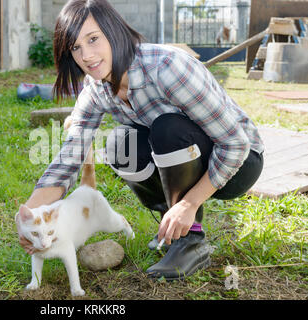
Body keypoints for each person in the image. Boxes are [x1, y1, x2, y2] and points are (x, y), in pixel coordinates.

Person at [18, 0, 264, 280]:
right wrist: (28, 216)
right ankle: (171, 228)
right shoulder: (96, 89)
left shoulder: (166, 68)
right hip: (195, 156)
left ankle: (190, 239)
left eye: (93, 39)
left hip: (240, 163)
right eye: (76, 47)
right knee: (120, 145)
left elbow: (236, 143)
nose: (86, 55)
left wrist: (189, 203)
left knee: (167, 128)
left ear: (114, 31)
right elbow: (70, 158)